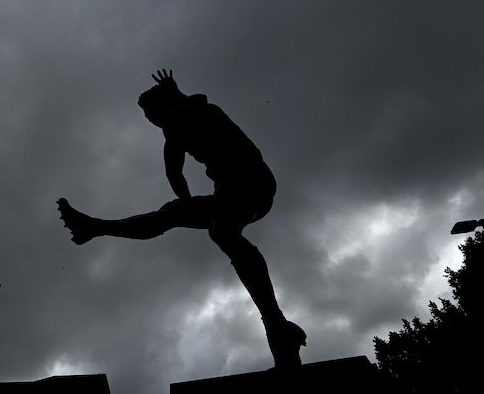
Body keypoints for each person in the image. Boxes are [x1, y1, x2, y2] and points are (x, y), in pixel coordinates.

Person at [57, 69, 306, 369]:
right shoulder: (195, 110)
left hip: (249, 181)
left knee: (220, 229)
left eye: (151, 115)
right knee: (184, 217)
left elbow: (173, 170)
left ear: (161, 110)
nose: (151, 122)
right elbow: (177, 161)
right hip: (239, 187)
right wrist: (185, 207)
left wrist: (187, 204)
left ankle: (277, 327)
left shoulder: (180, 119)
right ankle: (94, 227)